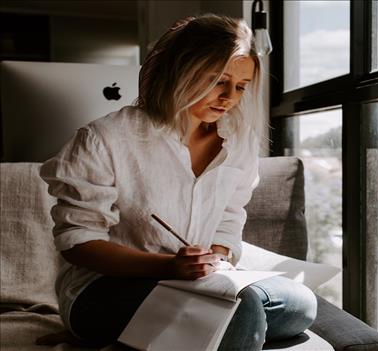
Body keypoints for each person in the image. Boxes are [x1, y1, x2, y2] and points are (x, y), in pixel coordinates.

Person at [39, 13, 317, 350]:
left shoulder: (238, 139)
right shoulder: (105, 139)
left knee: (301, 304)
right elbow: (78, 243)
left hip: (197, 281)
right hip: (106, 288)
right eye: (218, 80)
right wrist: (170, 266)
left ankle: (150, 336)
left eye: (241, 87)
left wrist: (214, 258)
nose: (229, 97)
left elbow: (230, 213)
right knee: (243, 312)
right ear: (181, 70)